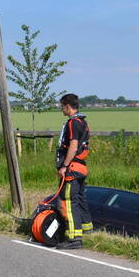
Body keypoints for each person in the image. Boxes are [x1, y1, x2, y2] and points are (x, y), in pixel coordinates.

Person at [56, 93, 91, 249]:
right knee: (80, 199)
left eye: (62, 106)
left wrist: (64, 166)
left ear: (67, 106)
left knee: (69, 202)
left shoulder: (72, 123)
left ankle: (74, 238)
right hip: (81, 168)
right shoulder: (83, 122)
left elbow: (73, 146)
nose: (61, 109)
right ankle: (86, 229)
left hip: (72, 168)